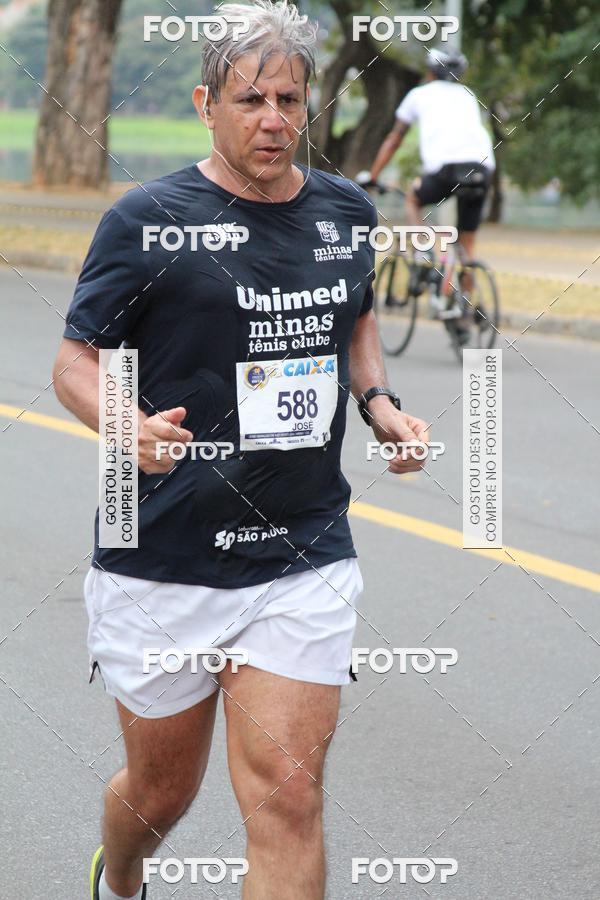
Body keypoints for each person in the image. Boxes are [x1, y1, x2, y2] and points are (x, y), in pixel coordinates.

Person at [53, 3, 429, 898]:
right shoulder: (148, 219)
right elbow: (75, 359)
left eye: (289, 99)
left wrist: (379, 402)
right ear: (205, 103)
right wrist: (121, 421)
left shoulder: (345, 212)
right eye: (251, 98)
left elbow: (356, 317)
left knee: (289, 798)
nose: (272, 119)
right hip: (162, 557)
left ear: (309, 107)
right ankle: (122, 876)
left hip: (302, 553)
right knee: (159, 793)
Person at [359, 48, 496, 339]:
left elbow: (395, 138)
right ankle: (465, 306)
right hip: (482, 170)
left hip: (447, 169)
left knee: (413, 197)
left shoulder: (419, 95)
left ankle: (424, 252)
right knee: (467, 246)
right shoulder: (468, 95)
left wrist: (372, 176)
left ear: (430, 71)